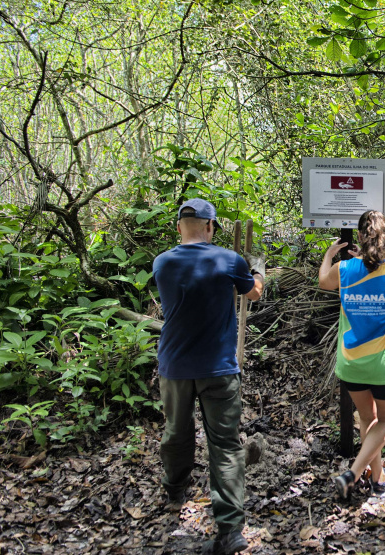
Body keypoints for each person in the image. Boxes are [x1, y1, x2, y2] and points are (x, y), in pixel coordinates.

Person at [153, 199, 264, 555]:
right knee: (226, 446)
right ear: (211, 227)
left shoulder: (162, 263)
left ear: (178, 228)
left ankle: (174, 490)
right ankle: (230, 530)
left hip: (175, 366)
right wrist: (257, 269)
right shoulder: (229, 261)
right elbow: (254, 293)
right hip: (218, 368)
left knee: (176, 432)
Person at [318, 210, 385, 499]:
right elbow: (376, 273)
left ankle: (379, 477)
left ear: (359, 236)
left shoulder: (343, 271)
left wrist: (329, 256)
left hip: (353, 364)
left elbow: (323, 281)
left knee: (368, 420)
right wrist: (366, 258)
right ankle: (354, 473)